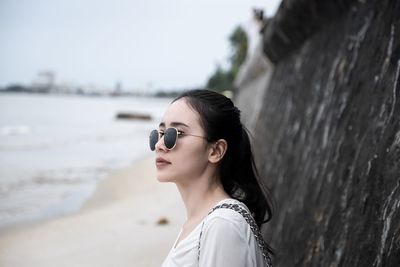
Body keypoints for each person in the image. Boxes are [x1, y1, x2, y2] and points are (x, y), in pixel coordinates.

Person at [149, 89, 274, 267]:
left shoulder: (222, 225)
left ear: (216, 151)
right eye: (160, 134)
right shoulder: (200, 223)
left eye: (177, 134)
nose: (160, 145)